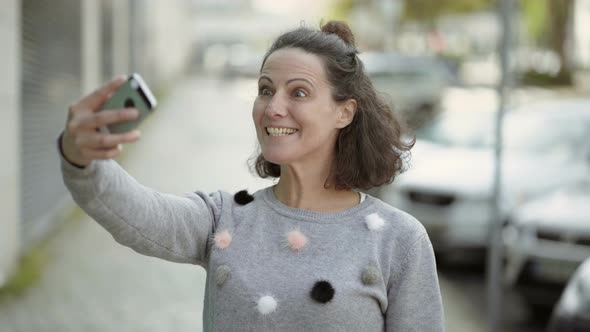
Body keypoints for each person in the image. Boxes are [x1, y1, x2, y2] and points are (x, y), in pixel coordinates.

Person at [58, 21, 444, 331]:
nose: (273, 107)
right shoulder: (226, 218)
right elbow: (137, 213)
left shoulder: (399, 239)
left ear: (344, 112)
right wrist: (81, 157)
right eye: (265, 89)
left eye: (299, 93)